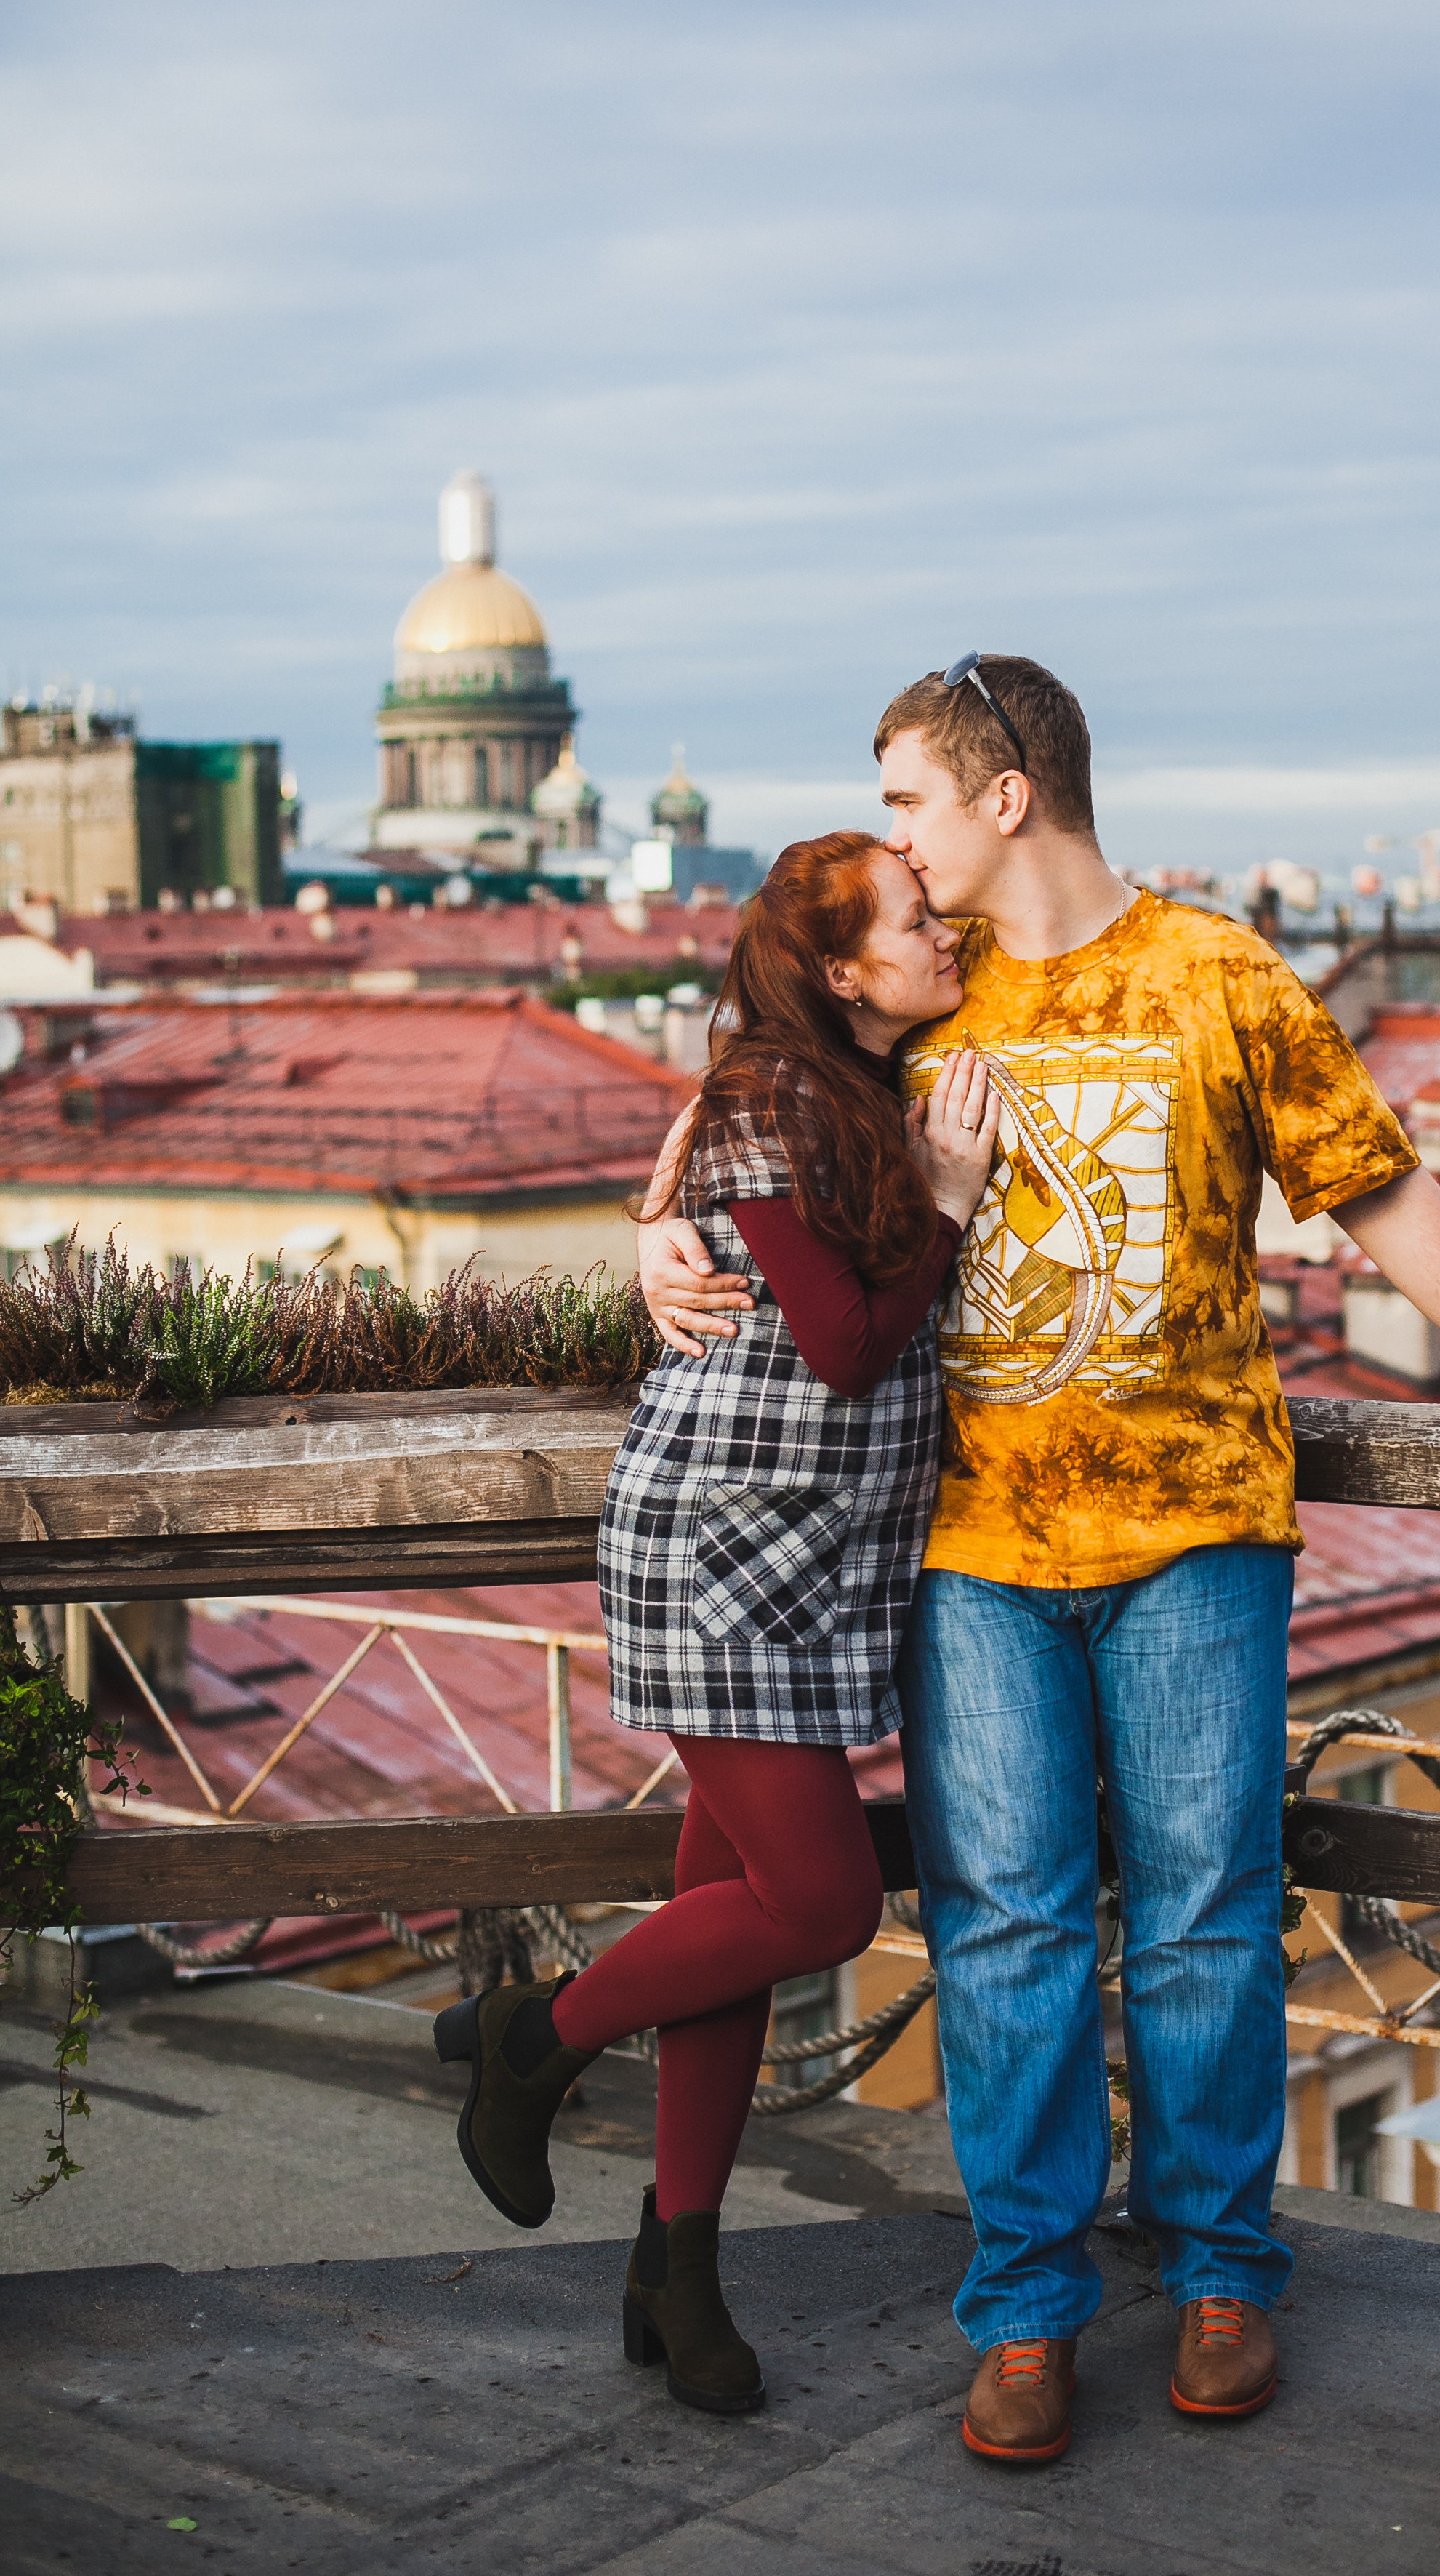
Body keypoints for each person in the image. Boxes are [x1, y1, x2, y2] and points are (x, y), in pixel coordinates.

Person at [635, 657, 1440, 2465]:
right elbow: (730, 1114)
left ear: (1006, 790)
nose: (896, 840)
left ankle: (1218, 2272)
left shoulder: (1217, 974)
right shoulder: (910, 995)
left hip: (1195, 1531)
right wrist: (640, 1245)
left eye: (908, 802)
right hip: (962, 1544)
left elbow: (1376, 1183)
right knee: (1003, 1928)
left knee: (1201, 1922)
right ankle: (1025, 2309)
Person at [433, 828, 999, 2419]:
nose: (939, 926)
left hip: (811, 1555)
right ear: (838, 969)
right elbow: (841, 1341)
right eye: (909, 917)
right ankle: (525, 2035)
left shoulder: (825, 1082)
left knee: (730, 1920)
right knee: (817, 1902)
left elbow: (723, 1172)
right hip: (721, 1547)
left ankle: (673, 2268)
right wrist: (947, 1201)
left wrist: (647, 1205)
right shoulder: (778, 1095)